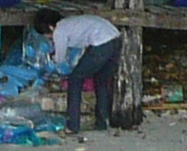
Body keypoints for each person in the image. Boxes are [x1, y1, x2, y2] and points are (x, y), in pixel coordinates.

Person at [37, 8, 123, 136]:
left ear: (50, 27)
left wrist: (52, 61)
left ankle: (72, 125)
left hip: (101, 43)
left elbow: (60, 59)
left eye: (46, 35)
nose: (49, 39)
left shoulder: (59, 31)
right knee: (101, 80)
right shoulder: (70, 23)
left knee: (75, 80)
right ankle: (102, 122)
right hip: (115, 39)